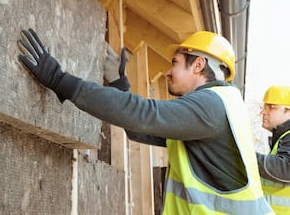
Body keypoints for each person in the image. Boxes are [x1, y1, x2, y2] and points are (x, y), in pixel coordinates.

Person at [17, 28, 273, 214]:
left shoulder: (211, 106)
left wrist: (61, 81)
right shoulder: (221, 106)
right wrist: (120, 86)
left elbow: (145, 115)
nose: (169, 72)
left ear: (198, 65)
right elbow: (140, 128)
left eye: (175, 63)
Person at [257, 85, 290, 214]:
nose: (263, 112)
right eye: (264, 107)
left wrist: (246, 156)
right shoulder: (283, 137)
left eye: (272, 107)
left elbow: (286, 168)